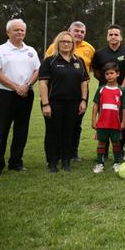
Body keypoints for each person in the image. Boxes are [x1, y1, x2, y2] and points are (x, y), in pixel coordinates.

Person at [0, 19, 40, 176]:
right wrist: (16, 87)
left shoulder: (31, 50)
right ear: (8, 32)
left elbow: (37, 71)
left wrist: (26, 86)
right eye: (16, 30)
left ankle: (16, 162)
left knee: (21, 130)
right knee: (1, 130)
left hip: (26, 94)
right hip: (5, 95)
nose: (20, 32)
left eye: (22, 30)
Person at [38, 31, 89, 173]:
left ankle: (66, 161)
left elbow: (84, 82)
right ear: (57, 43)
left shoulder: (79, 61)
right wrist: (45, 104)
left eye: (69, 42)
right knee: (52, 132)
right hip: (53, 103)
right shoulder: (50, 61)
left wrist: (83, 100)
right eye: (63, 41)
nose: (66, 44)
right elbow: (43, 84)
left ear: (73, 44)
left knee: (69, 132)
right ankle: (52, 162)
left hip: (73, 103)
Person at [45, 21, 94, 162]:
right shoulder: (54, 47)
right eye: (76, 31)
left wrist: (84, 97)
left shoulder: (89, 48)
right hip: (58, 92)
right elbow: (47, 68)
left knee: (75, 124)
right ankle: (57, 154)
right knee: (58, 124)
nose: (79, 34)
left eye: (82, 32)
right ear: (69, 31)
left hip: (80, 93)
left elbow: (91, 71)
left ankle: (73, 153)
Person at [90, 62, 125, 173]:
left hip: (115, 122)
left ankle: (117, 163)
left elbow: (124, 107)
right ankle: (100, 164)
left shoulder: (121, 90)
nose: (109, 76)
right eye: (107, 74)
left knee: (116, 143)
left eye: (112, 73)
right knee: (101, 142)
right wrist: (93, 120)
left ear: (118, 74)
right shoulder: (101, 89)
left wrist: (123, 121)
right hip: (102, 123)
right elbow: (96, 105)